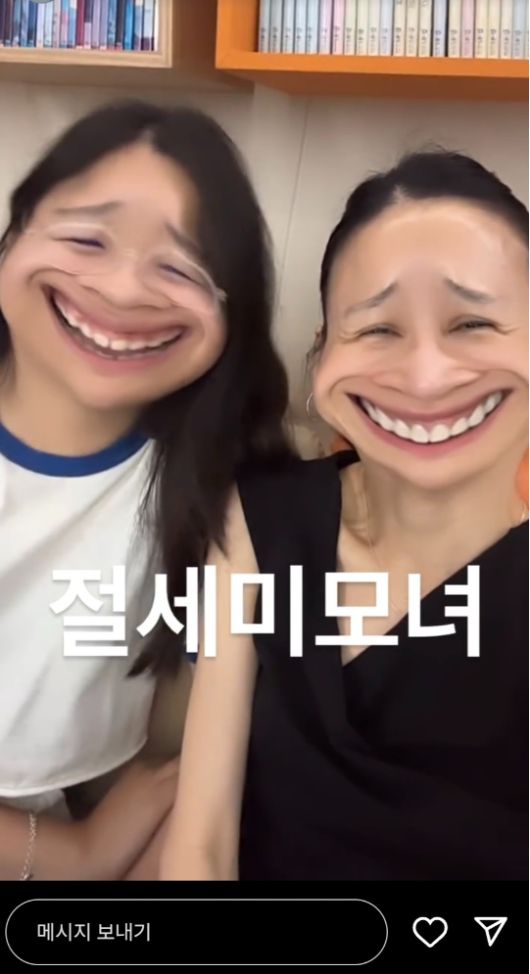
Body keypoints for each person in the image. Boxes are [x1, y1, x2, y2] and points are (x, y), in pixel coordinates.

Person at [161, 150, 529, 881]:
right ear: (321, 355)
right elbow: (201, 843)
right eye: (377, 329)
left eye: (473, 323)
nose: (425, 376)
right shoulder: (260, 518)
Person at [0, 100, 292, 880]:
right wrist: (70, 855)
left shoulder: (218, 491)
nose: (125, 289)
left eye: (181, 267)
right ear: (15, 234)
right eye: (86, 239)